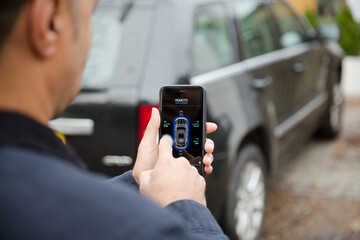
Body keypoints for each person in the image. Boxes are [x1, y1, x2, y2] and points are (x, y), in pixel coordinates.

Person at [0, 0, 229, 239]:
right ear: (49, 21)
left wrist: (139, 183)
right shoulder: (143, 229)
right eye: (90, 17)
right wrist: (186, 206)